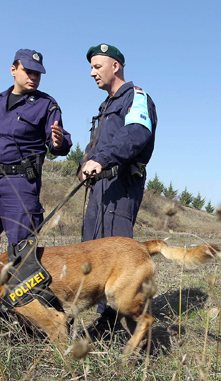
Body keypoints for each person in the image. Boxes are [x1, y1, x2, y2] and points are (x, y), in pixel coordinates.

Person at [0, 49, 72, 277]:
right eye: (28, 71)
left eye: (38, 73)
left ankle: (21, 305)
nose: (33, 77)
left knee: (21, 248)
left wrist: (58, 142)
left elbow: (60, 140)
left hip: (19, 184)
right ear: (13, 70)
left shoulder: (46, 104)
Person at [79, 43, 157, 326]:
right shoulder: (105, 107)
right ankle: (106, 317)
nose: (91, 73)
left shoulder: (136, 97)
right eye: (90, 67)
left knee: (116, 253)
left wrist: (101, 159)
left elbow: (136, 133)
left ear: (116, 66)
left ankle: (122, 322)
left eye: (97, 66)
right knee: (94, 249)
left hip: (121, 186)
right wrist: (84, 166)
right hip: (100, 189)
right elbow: (95, 146)